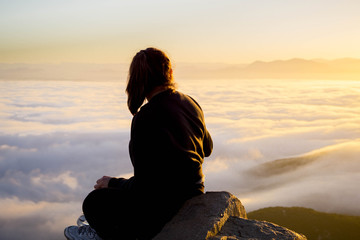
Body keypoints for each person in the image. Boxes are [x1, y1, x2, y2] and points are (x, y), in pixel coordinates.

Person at [64, 47, 213, 240]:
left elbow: (144, 188)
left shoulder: (145, 117)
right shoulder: (190, 102)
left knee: (93, 202)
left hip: (164, 208)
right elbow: (207, 149)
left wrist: (112, 183)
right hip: (192, 195)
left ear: (138, 80)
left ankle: (105, 233)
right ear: (169, 72)